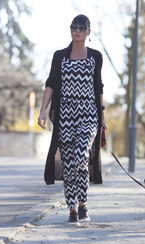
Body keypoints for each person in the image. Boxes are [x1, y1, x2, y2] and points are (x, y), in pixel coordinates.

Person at [38, 14, 106, 223]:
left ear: (88, 32)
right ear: (70, 30)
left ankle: (84, 205)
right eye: (73, 27)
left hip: (88, 113)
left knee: (80, 155)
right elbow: (50, 83)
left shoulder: (95, 56)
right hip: (65, 114)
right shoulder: (59, 56)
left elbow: (99, 86)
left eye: (81, 27)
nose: (77, 30)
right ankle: (72, 209)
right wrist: (42, 111)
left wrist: (102, 117)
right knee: (68, 162)